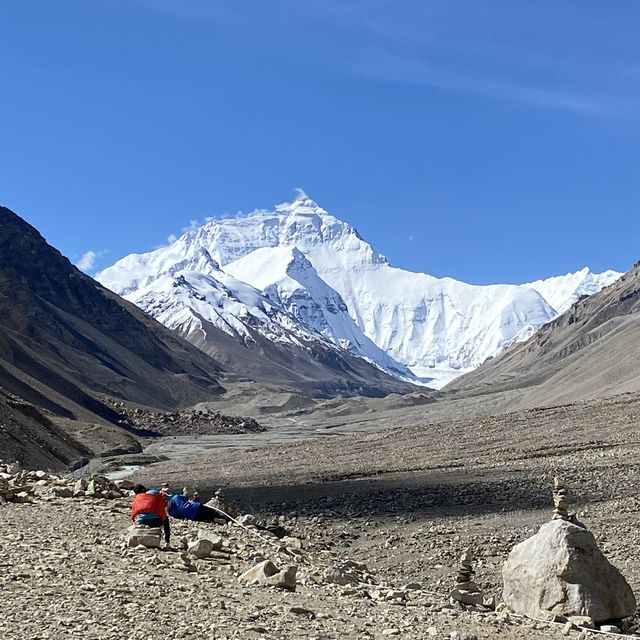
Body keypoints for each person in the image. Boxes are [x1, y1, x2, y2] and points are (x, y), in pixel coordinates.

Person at [167, 489, 232, 523]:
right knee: (211, 511)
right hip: (196, 507)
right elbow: (186, 498)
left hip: (193, 516)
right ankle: (226, 519)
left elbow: (180, 517)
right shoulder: (176, 497)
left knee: (205, 517)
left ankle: (213, 519)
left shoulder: (171, 513)